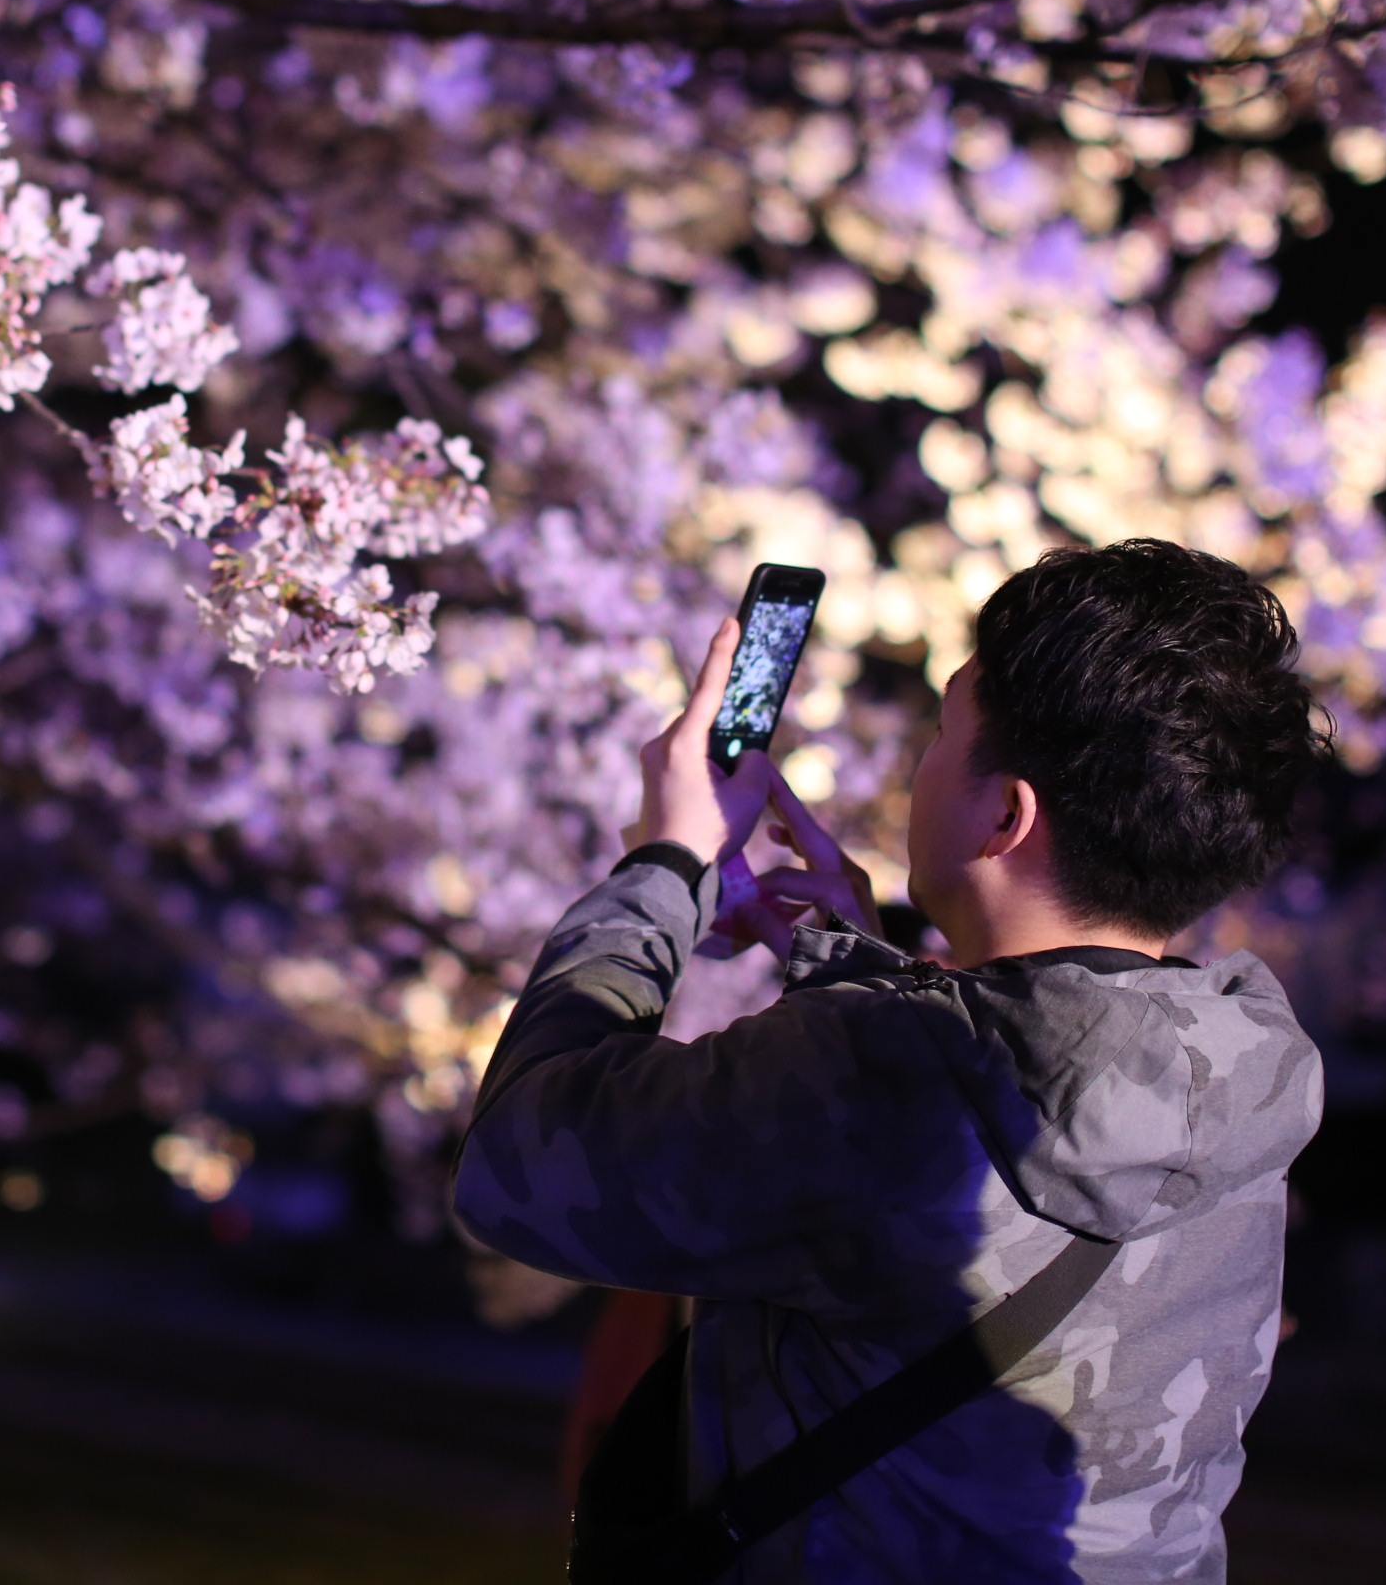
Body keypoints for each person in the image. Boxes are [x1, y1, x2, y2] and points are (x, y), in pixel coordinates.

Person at [454, 539, 1329, 1583]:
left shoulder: (886, 1074)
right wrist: (868, 969)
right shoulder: (1242, 1075)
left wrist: (666, 865)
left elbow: (519, 1160)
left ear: (1005, 814)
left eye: (945, 734)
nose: (922, 765)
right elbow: (979, 1118)